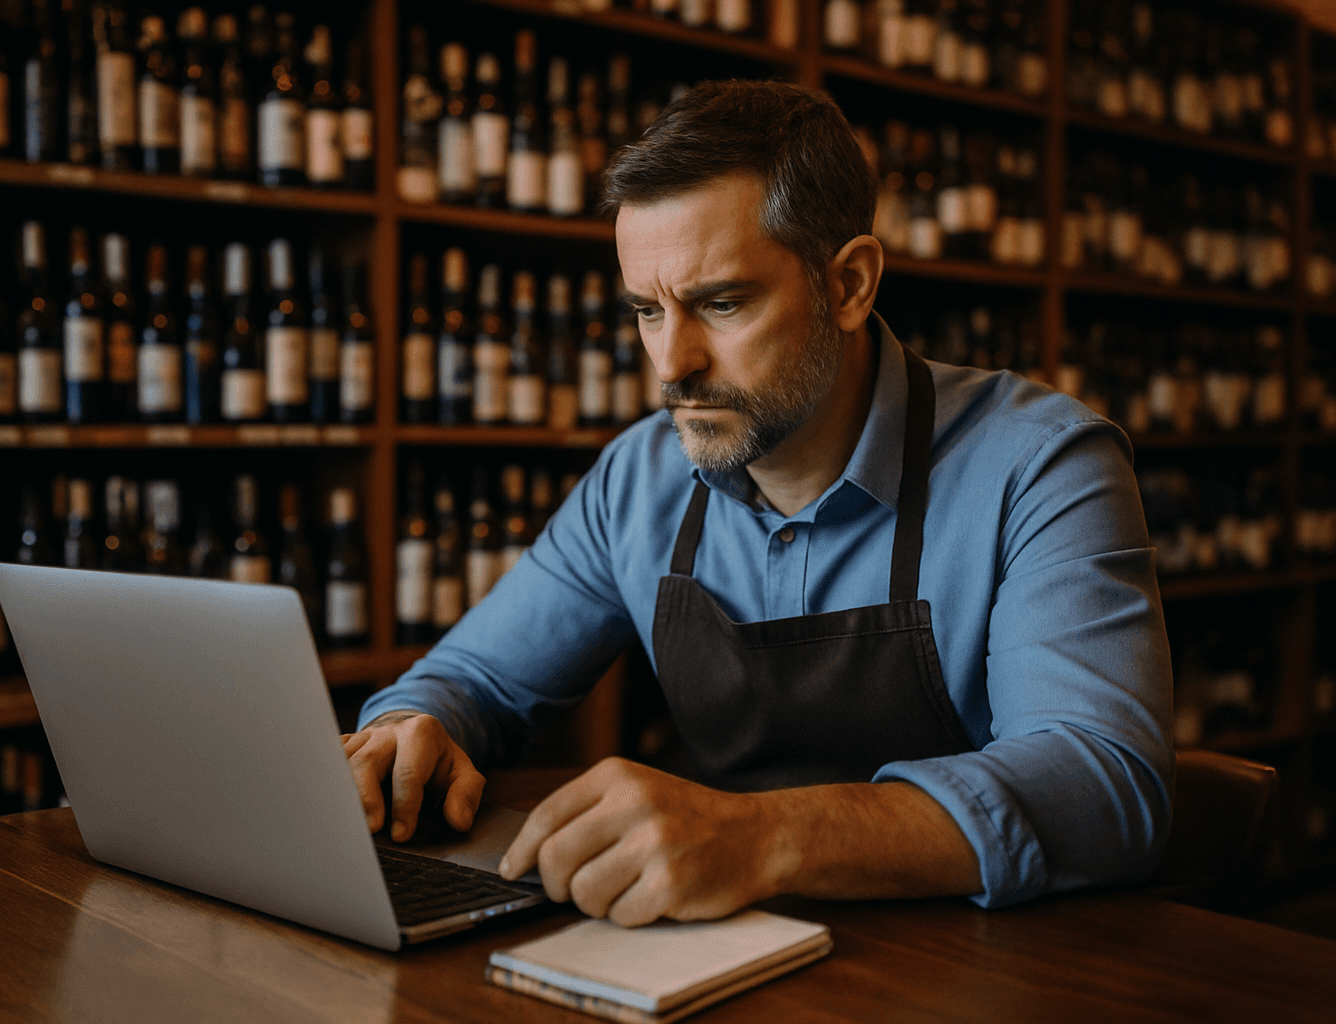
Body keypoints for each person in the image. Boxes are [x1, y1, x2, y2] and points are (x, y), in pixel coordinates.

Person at [345, 80, 1173, 926]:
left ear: (849, 284)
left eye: (722, 303)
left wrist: (761, 836)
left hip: (987, 968)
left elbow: (1104, 781)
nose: (673, 363)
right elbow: (474, 678)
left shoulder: (1041, 466)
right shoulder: (638, 478)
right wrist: (414, 727)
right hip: (724, 957)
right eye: (646, 311)